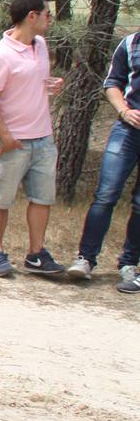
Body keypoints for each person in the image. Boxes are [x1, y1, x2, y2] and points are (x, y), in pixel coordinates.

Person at [0, 0, 65, 277]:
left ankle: (36, 253)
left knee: (42, 198)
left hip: (43, 137)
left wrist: (50, 85)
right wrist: (6, 138)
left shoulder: (40, 45)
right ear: (32, 16)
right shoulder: (0, 56)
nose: (50, 19)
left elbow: (33, 81)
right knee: (1, 199)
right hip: (12, 141)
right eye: (47, 14)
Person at [66, 29, 140, 293]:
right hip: (127, 129)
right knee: (106, 194)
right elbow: (112, 83)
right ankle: (85, 259)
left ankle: (130, 265)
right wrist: (123, 110)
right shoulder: (130, 43)